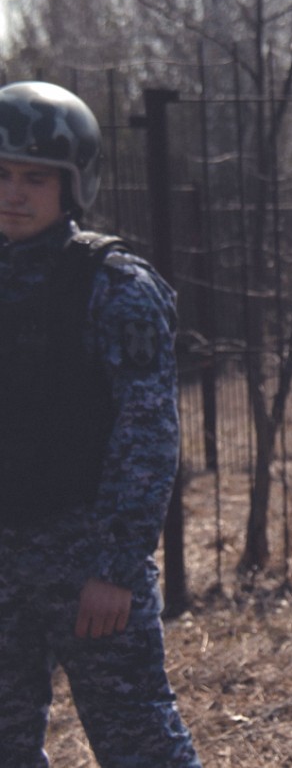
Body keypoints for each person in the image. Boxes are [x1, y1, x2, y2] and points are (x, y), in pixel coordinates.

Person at [0, 81, 201, 767]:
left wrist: (115, 567)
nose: (14, 193)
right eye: (1, 174)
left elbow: (148, 435)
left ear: (73, 184)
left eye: (35, 178)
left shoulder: (114, 287)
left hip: (85, 561)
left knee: (140, 745)